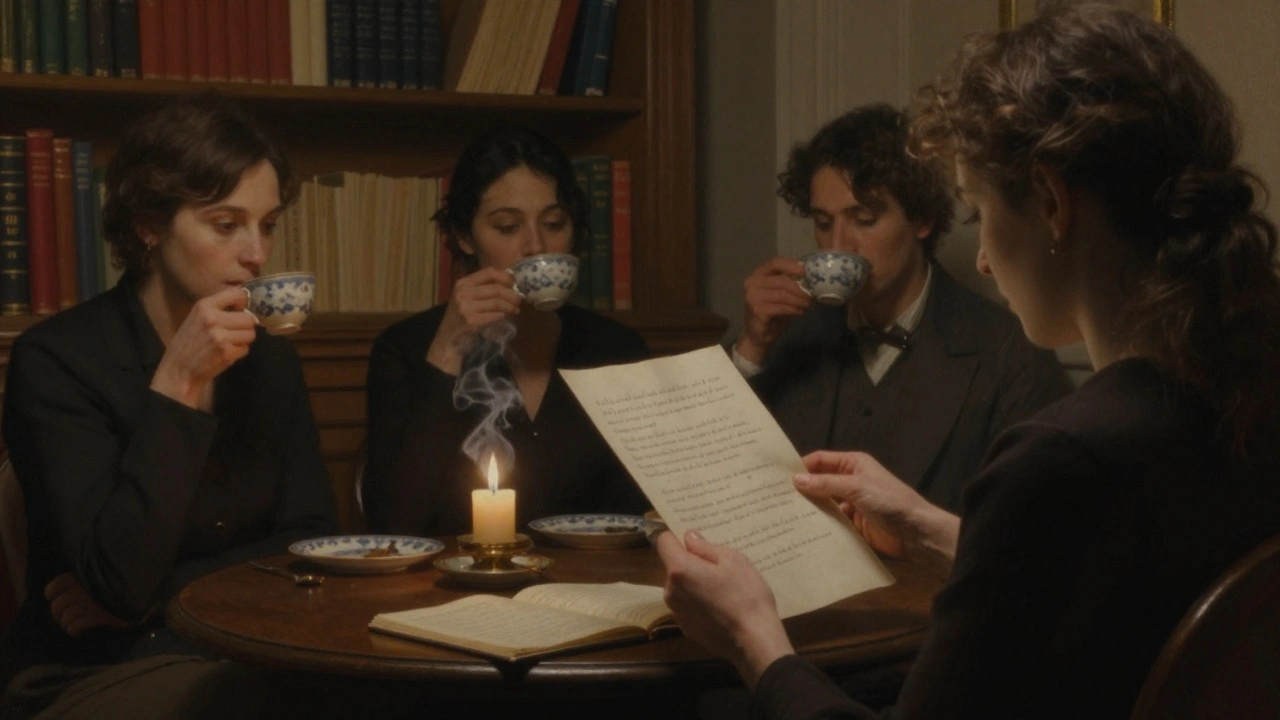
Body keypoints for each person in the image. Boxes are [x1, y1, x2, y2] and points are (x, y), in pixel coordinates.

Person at [658, 4, 1280, 718]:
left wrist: (752, 636)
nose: (981, 258)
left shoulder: (1062, 459)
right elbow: (1108, 589)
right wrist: (928, 526)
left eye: (981, 211)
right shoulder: (1238, 393)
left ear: (1050, 202)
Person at [0, 93, 339, 719]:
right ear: (149, 225)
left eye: (266, 225)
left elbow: (312, 539)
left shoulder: (271, 361)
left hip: (243, 649)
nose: (257, 255)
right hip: (88, 670)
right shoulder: (57, 360)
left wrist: (171, 594)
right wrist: (178, 383)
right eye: (225, 223)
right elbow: (116, 581)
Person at [733, 104, 1070, 512]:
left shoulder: (1008, 353)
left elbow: (1037, 527)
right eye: (824, 223)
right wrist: (751, 348)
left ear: (921, 220)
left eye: (865, 219)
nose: (839, 245)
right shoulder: (791, 334)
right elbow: (720, 482)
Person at [362, 127, 649, 537]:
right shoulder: (405, 348)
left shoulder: (615, 349)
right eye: (507, 227)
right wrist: (447, 349)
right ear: (465, 236)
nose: (535, 246)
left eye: (554, 222)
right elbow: (393, 524)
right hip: (458, 589)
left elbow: (641, 516)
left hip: (590, 587)